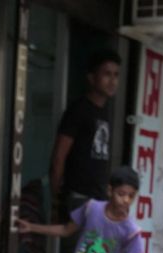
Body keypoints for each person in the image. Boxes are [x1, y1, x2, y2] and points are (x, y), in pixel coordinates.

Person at [52, 50, 120, 218]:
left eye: (116, 75)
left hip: (99, 199)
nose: (112, 81)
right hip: (79, 197)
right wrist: (55, 197)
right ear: (91, 78)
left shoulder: (106, 112)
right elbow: (59, 155)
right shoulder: (79, 110)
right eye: (107, 74)